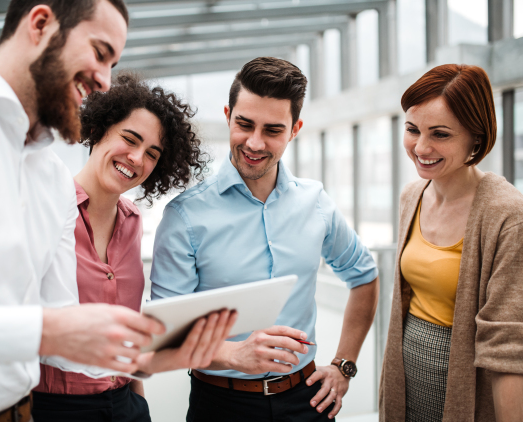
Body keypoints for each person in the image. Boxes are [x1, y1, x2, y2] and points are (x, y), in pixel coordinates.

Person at [0, 1, 225, 420]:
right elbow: (53, 331)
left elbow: (67, 331)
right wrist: (48, 332)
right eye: (100, 53)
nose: (104, 81)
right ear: (41, 23)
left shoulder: (45, 172)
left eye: (113, 63)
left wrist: (176, 357)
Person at [150, 57, 380, 422]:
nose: (254, 143)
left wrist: (343, 365)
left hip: (308, 401)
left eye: (273, 129)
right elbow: (164, 332)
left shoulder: (315, 202)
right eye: (244, 124)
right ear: (228, 115)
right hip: (220, 407)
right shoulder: (184, 216)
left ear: (295, 129)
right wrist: (233, 354)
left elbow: (364, 276)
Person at [31, 72, 237, 422]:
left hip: (126, 404)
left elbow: (129, 329)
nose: (138, 158)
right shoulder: (47, 208)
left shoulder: (133, 222)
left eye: (152, 154)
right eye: (130, 139)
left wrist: (139, 405)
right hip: (56, 408)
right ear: (98, 130)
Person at [379, 64, 523, 422]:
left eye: (440, 134)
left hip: (464, 382)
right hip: (406, 374)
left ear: (475, 138)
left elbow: (507, 346)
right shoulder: (412, 195)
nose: (421, 147)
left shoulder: (507, 214)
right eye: (412, 129)